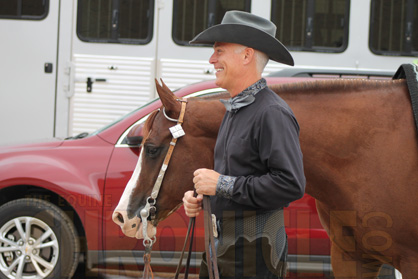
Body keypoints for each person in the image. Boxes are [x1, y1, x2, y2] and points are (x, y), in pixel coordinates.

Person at [183, 10, 306, 279]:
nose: (211, 59)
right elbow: (238, 177)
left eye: (219, 51)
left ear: (247, 55)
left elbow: (291, 183)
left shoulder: (272, 113)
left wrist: (221, 184)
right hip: (225, 250)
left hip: (255, 255)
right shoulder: (235, 109)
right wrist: (204, 197)